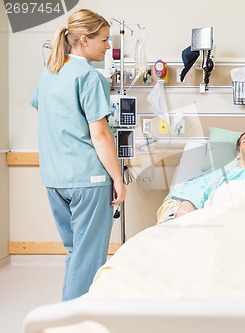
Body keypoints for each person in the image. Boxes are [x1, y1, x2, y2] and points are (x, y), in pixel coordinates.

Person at [31, 9, 126, 301]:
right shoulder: (89, 76)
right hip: (88, 179)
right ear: (84, 40)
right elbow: (99, 134)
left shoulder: (48, 73)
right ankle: (74, 319)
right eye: (104, 40)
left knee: (75, 251)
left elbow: (50, 116)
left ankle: (69, 311)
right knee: (88, 257)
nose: (108, 46)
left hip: (55, 178)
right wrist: (118, 179)